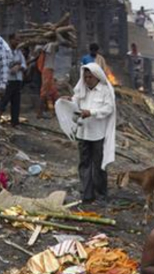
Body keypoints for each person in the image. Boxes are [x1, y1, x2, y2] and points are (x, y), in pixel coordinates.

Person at [68, 63, 116, 202]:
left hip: (98, 134)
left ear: (97, 77)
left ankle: (101, 193)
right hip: (83, 133)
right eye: (86, 77)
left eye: (90, 77)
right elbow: (74, 104)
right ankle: (87, 194)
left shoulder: (105, 90)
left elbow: (108, 109)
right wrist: (68, 102)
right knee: (84, 163)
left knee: (98, 165)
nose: (88, 79)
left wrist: (91, 113)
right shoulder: (81, 89)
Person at [0, 34, 25, 127]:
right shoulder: (4, 51)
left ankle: (15, 122)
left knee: (16, 102)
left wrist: (19, 66)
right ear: (10, 40)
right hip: (8, 80)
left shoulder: (19, 52)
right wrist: (14, 65)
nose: (17, 42)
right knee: (4, 101)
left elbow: (24, 64)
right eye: (16, 40)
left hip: (18, 80)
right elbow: (3, 64)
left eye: (18, 40)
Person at [37, 41, 59, 118]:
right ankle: (40, 112)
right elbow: (60, 43)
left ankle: (55, 111)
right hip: (47, 70)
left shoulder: (46, 46)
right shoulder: (51, 45)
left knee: (53, 91)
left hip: (49, 70)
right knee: (44, 92)